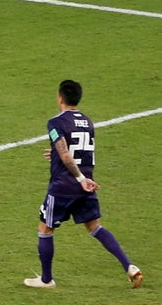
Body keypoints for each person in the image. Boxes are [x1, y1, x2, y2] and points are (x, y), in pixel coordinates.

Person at [23, 79, 143, 289]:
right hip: (87, 183)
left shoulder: (55, 122)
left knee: (45, 227)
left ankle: (46, 279)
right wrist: (61, 159)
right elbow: (79, 151)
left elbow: (67, 155)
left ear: (60, 97)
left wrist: (77, 176)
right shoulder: (88, 121)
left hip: (64, 185)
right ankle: (129, 266)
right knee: (94, 226)